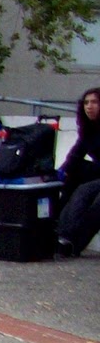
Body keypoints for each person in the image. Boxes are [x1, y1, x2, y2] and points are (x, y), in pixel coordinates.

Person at [55, 86, 100, 258]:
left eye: (94, 102)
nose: (89, 106)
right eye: (86, 103)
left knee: (87, 193)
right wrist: (61, 172)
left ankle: (73, 242)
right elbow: (75, 155)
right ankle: (58, 231)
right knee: (73, 174)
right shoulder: (89, 129)